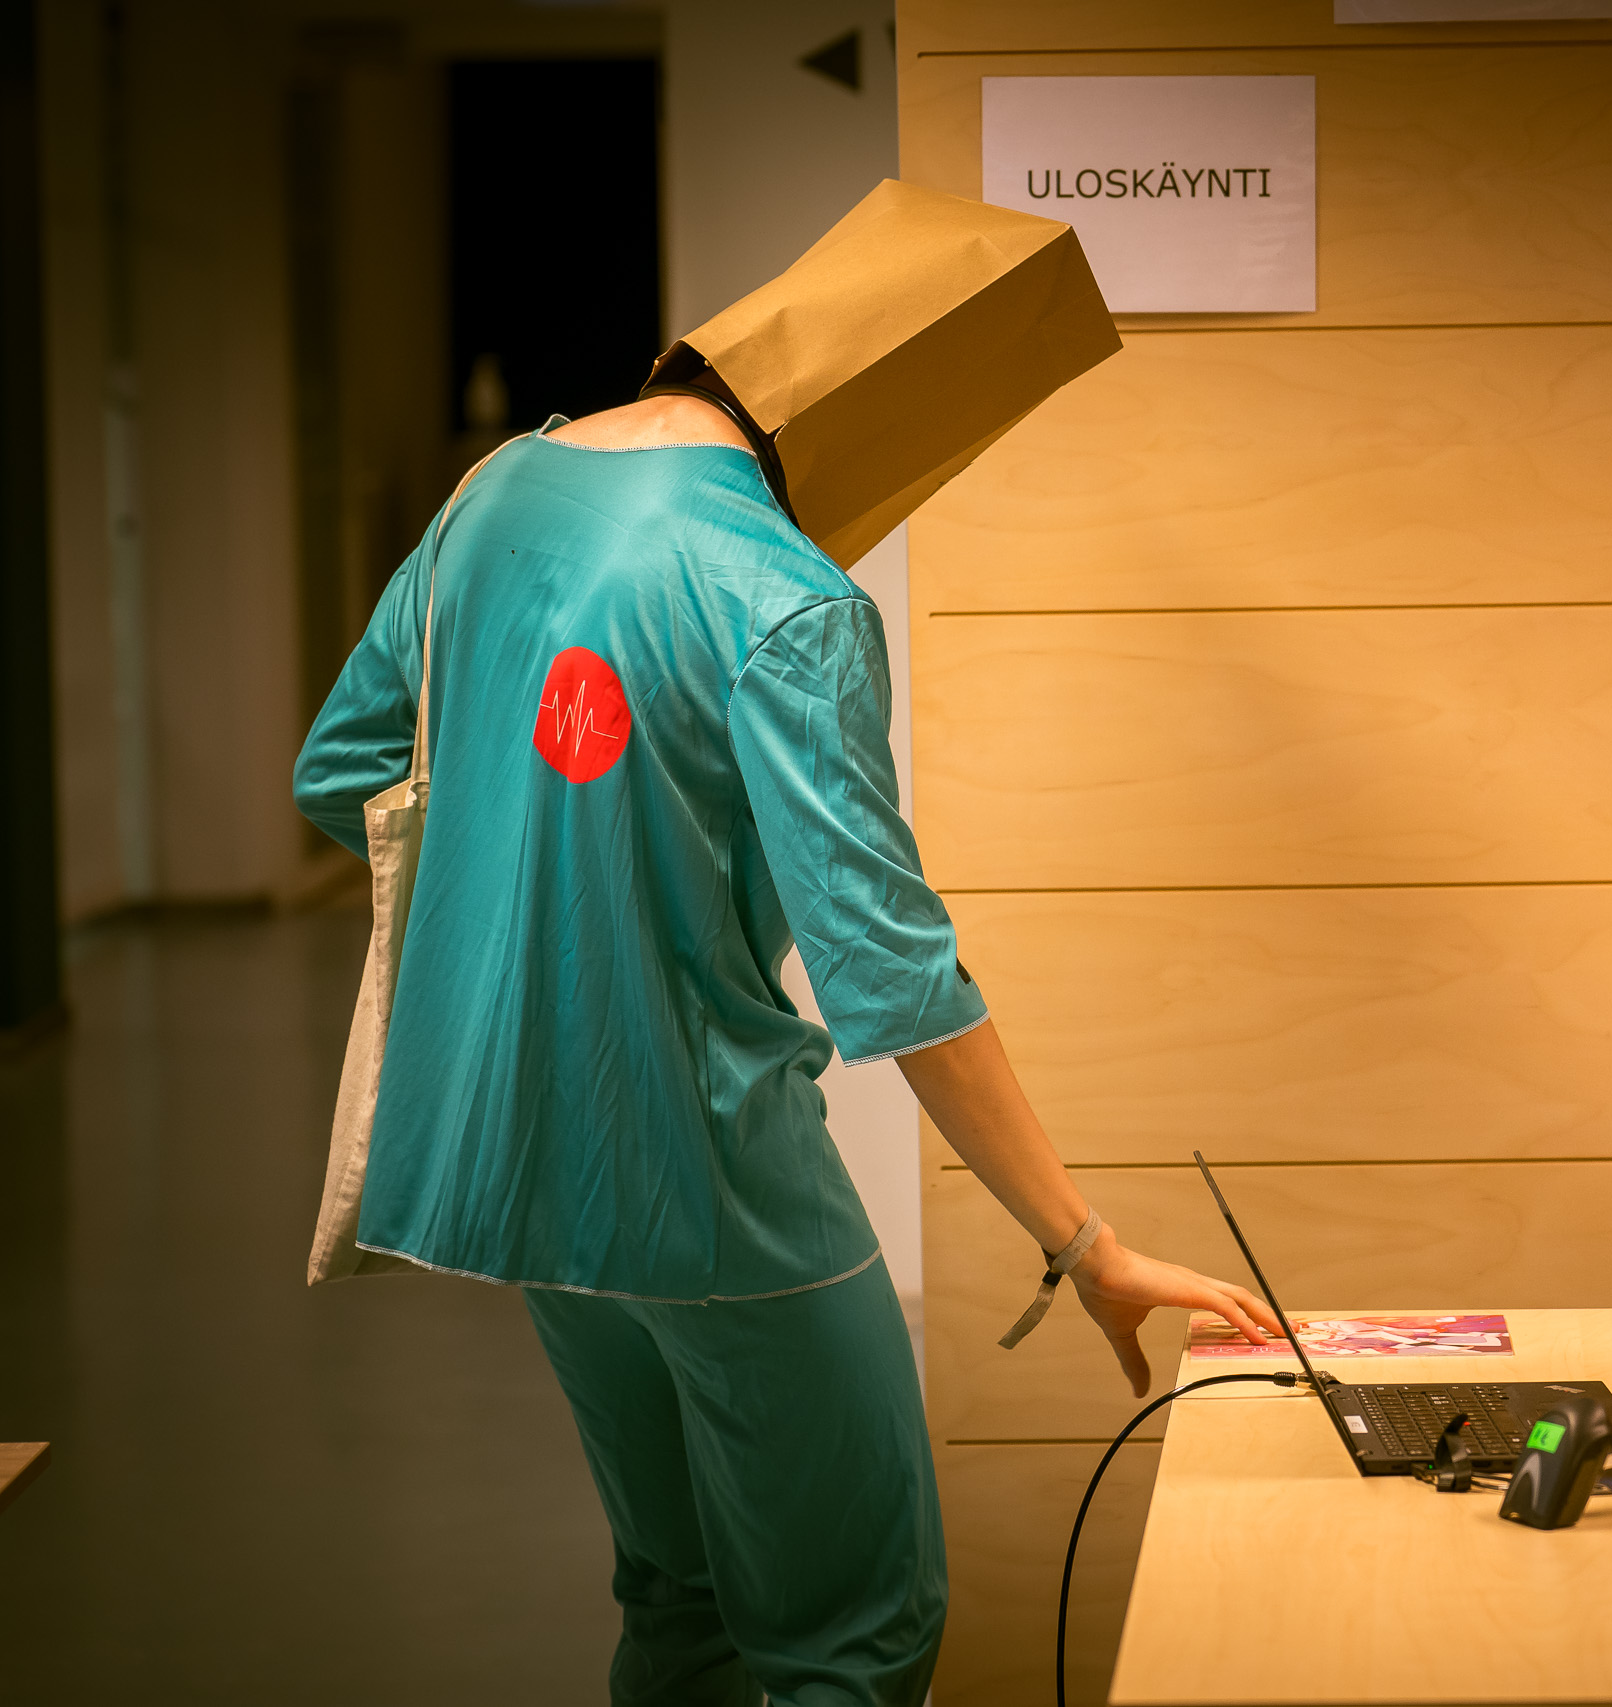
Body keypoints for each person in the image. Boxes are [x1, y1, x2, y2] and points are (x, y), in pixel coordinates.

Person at [293, 185, 1278, 1706]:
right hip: (711, 1177)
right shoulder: (780, 591)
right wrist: (1089, 1247)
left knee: (677, 1601)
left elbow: (345, 769)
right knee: (855, 1634)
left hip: (519, 1164)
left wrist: (540, 881)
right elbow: (891, 969)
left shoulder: (489, 494)